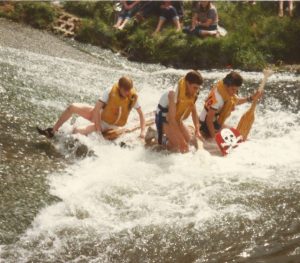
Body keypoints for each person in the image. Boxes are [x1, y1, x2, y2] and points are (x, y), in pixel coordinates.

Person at [37, 76, 146, 139]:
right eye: (125, 90)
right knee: (72, 107)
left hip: (108, 124)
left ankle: (61, 138)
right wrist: (97, 129)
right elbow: (97, 109)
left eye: (129, 90)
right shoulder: (110, 91)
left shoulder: (132, 97)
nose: (128, 93)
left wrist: (142, 132)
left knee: (77, 131)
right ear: (120, 88)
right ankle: (53, 131)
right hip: (99, 117)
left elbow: (141, 114)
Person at [199, 71, 263, 139]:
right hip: (205, 124)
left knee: (237, 134)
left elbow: (236, 101)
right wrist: (214, 138)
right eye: (233, 89)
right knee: (234, 137)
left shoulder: (225, 90)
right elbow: (209, 119)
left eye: (236, 90)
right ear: (226, 85)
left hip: (214, 121)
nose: (234, 92)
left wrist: (251, 98)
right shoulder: (218, 98)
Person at [154, 71, 203, 153]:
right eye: (195, 87)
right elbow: (171, 119)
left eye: (198, 88)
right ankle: (156, 135)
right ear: (187, 83)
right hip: (163, 119)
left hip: (176, 119)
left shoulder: (194, 92)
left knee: (190, 143)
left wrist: (197, 130)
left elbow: (194, 112)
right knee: (179, 147)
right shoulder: (173, 93)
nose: (196, 90)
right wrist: (181, 140)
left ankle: (172, 139)